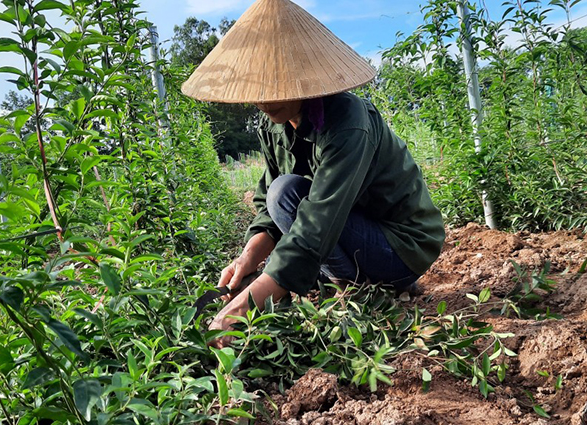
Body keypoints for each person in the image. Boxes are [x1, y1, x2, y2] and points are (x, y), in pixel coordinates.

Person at [181, 0, 446, 348]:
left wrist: (242, 308)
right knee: (281, 193)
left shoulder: (348, 123)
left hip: (400, 246)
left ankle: (363, 287)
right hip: (354, 233)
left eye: (275, 86)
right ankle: (346, 281)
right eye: (257, 89)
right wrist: (246, 261)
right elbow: (271, 211)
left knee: (286, 196)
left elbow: (319, 220)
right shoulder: (273, 126)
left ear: (301, 79)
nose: (263, 101)